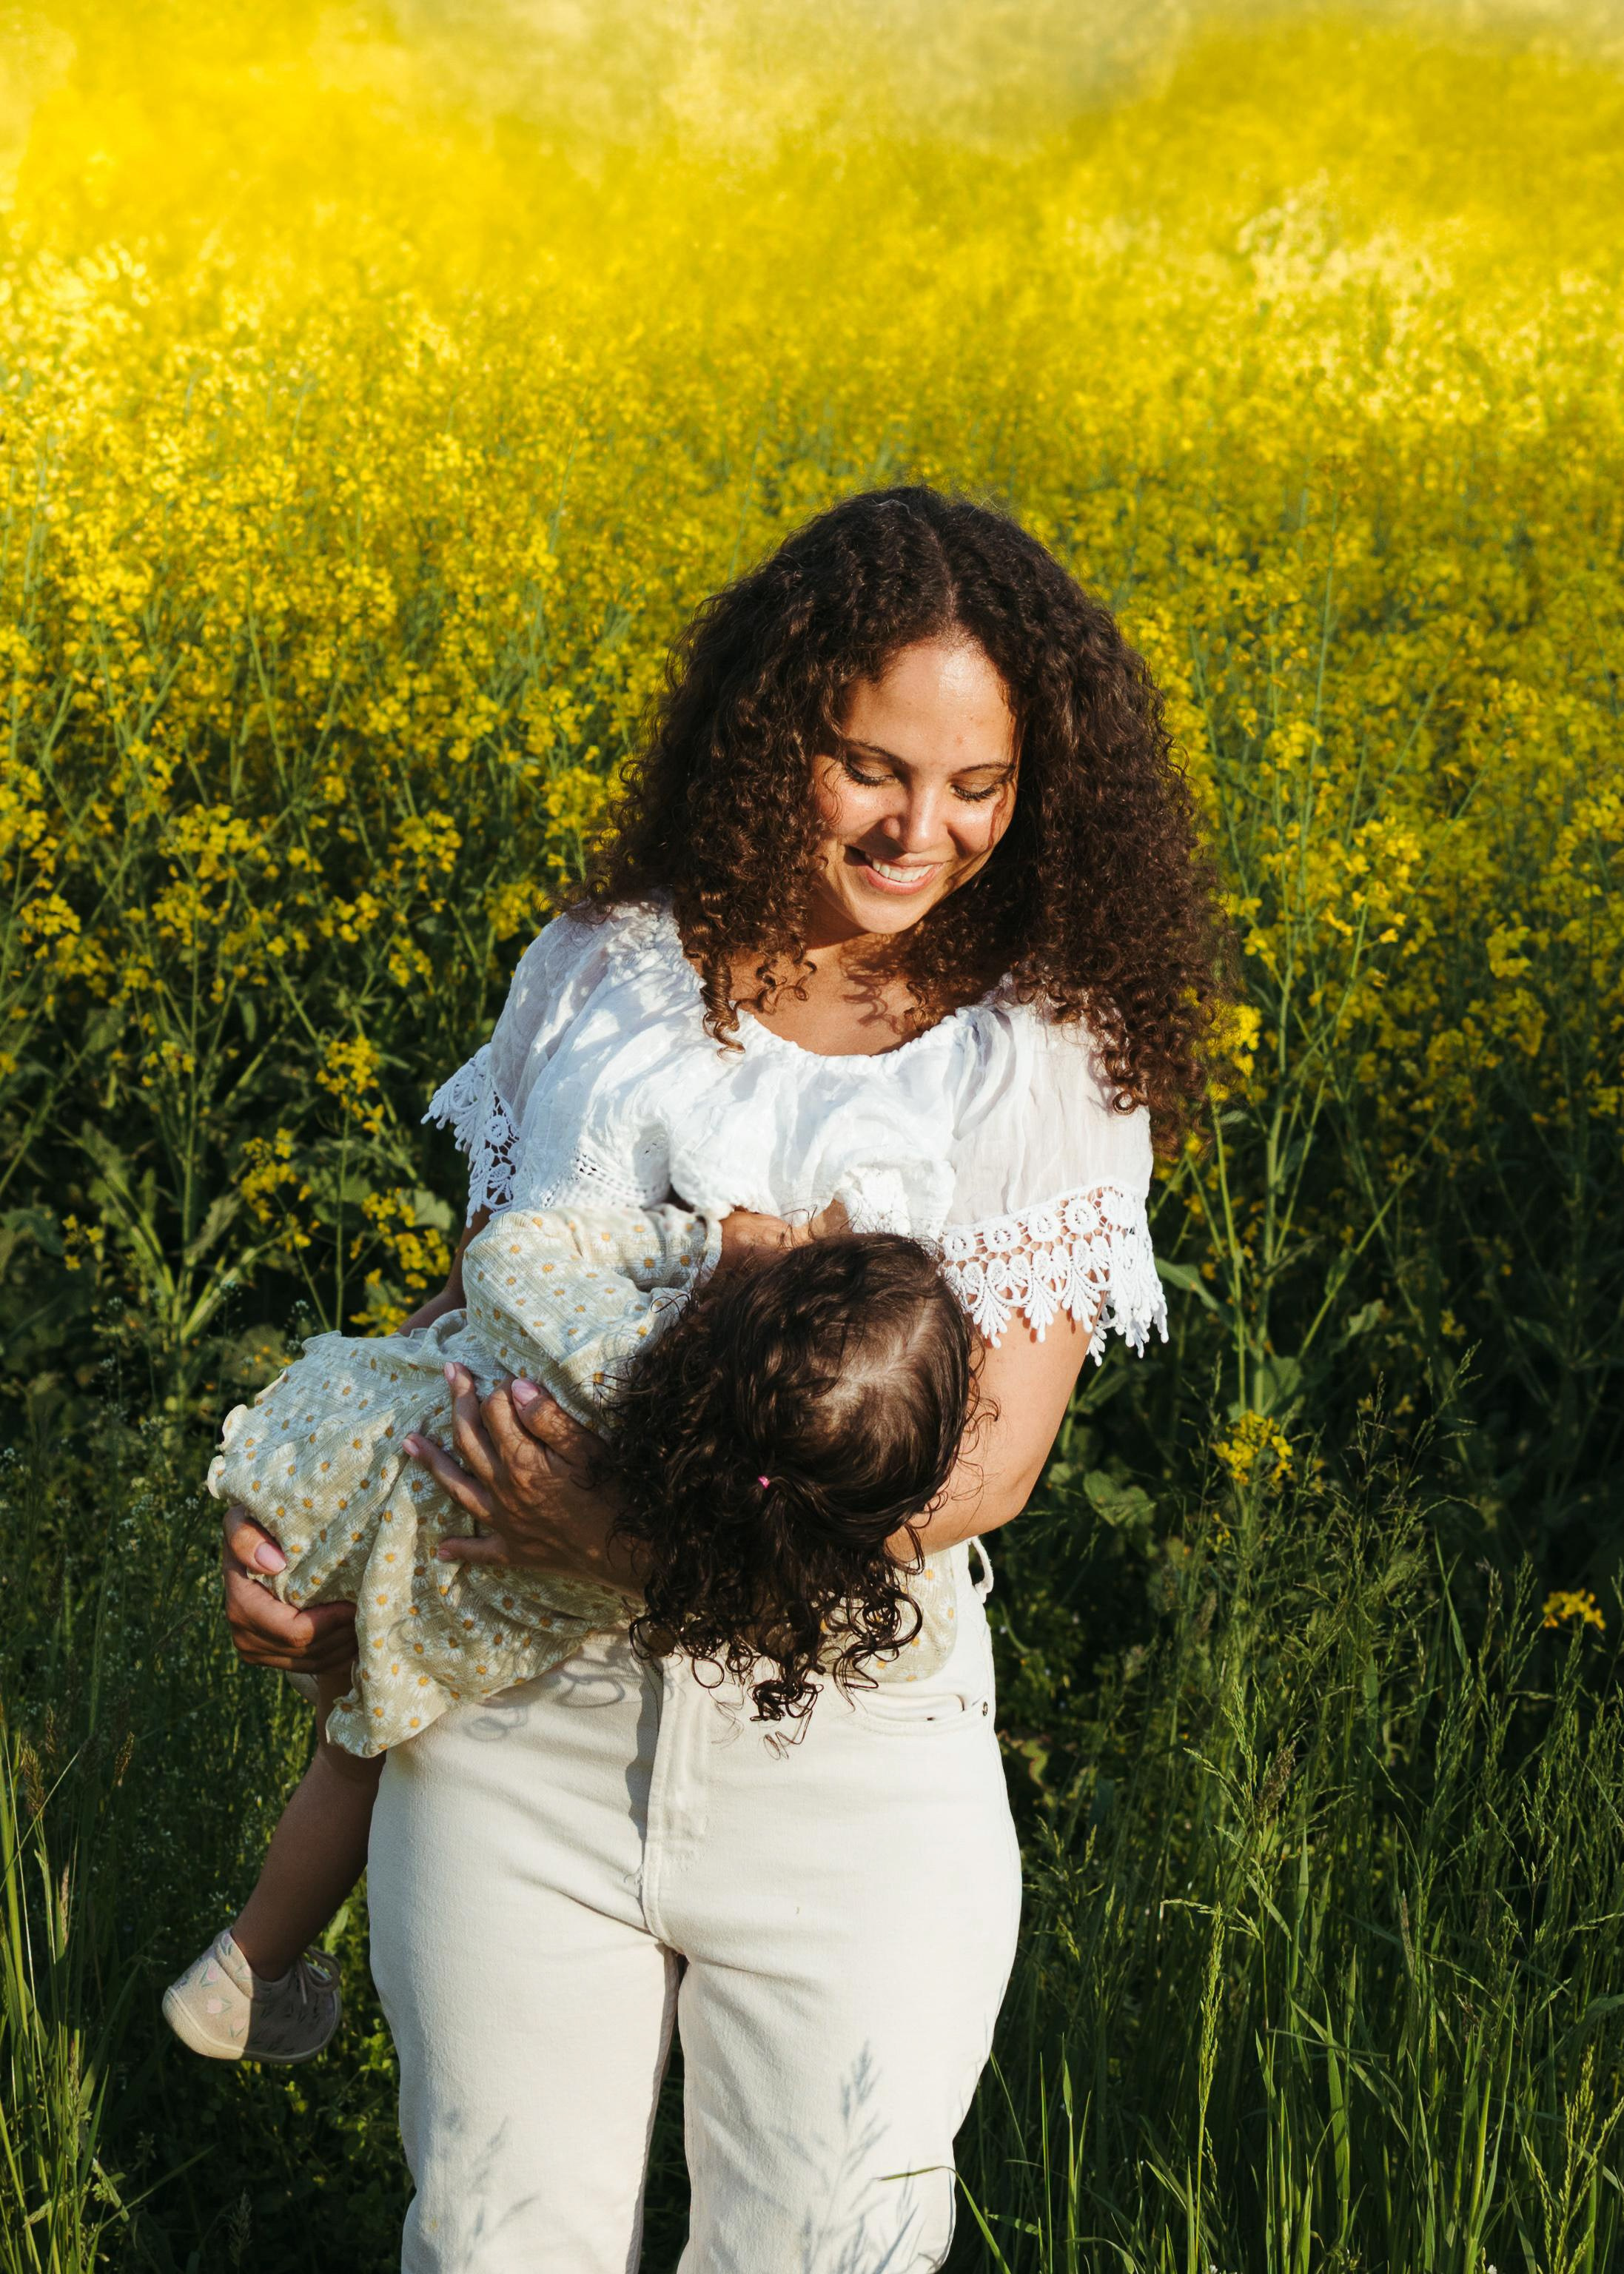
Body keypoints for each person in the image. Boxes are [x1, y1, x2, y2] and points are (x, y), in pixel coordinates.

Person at [218, 486, 1223, 2273]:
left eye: (978, 786)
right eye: (872, 768)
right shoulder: (604, 971)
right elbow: (482, 1317)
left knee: (826, 2248)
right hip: (518, 1721)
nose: (925, 828)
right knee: (489, 2242)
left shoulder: (1046, 1051)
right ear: (773, 736)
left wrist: (628, 1530)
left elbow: (976, 1470)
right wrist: (325, 1545)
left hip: (847, 1753)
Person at [164, 1219, 974, 2062]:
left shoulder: (604, 1361)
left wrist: (694, 1247)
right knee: (350, 1762)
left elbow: (505, 1255)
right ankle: (246, 1977)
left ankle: (253, 1968)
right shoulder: (763, 1556)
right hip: (422, 1616)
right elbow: (922, 1640)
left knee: (344, 1753)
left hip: (342, 1484)